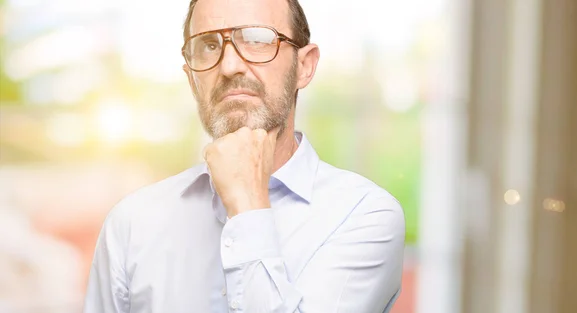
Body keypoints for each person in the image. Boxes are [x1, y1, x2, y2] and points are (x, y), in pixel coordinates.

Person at [83, 0, 405, 312]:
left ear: (304, 67)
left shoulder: (365, 216)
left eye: (256, 39)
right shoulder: (131, 225)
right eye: (208, 45)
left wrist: (247, 204)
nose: (229, 66)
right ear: (192, 80)